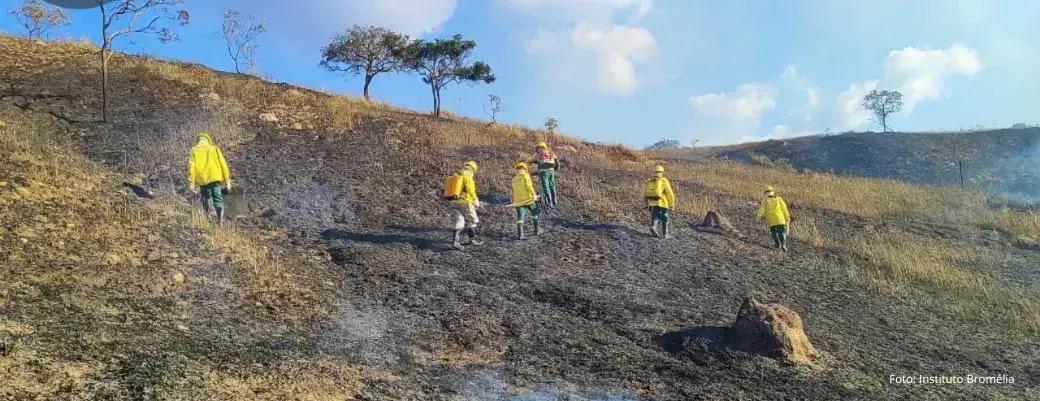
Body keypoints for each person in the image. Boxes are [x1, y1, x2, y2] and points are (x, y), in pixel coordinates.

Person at [187, 131, 232, 224]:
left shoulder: (194, 150)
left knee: (206, 198)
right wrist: (227, 181)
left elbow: (191, 168)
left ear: (198, 141)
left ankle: (208, 218)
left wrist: (191, 184)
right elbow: (223, 165)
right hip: (215, 178)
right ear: (208, 140)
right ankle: (220, 220)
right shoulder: (214, 148)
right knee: (218, 198)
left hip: (203, 180)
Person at [448, 160, 484, 250]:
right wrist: (475, 200)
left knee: (458, 221)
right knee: (472, 221)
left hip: (454, 202)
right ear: (472, 170)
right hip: (466, 203)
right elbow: (470, 189)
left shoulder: (456, 175)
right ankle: (472, 240)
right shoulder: (467, 176)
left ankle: (455, 242)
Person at [643, 165, 676, 238]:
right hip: (662, 203)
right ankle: (665, 234)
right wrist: (671, 204)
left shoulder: (649, 181)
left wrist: (646, 204)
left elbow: (645, 194)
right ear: (662, 172)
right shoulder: (664, 181)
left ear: (654, 172)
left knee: (655, 216)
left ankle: (653, 226)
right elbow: (669, 193)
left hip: (652, 203)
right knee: (665, 218)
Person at [510, 161, 541, 240]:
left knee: (520, 217)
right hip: (528, 199)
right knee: (535, 212)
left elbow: (514, 191)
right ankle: (537, 230)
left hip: (518, 202)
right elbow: (529, 186)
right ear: (525, 169)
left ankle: (521, 235)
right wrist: (534, 195)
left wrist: (515, 201)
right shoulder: (525, 176)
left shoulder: (514, 179)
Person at [756, 185, 791, 251]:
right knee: (782, 232)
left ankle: (777, 244)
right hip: (780, 219)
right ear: (773, 192)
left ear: (765, 193)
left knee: (774, 232)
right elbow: (784, 209)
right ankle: (783, 244)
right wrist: (787, 217)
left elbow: (761, 210)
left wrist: (758, 217)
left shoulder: (765, 200)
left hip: (771, 220)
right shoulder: (779, 199)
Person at [528, 141, 560, 209]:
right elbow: (556, 161)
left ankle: (549, 202)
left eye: (537, 148)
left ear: (539, 147)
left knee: (545, 187)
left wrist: (531, 163)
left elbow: (529, 160)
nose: (537, 150)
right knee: (552, 186)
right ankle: (554, 201)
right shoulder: (551, 152)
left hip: (543, 172)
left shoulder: (538, 154)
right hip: (551, 171)